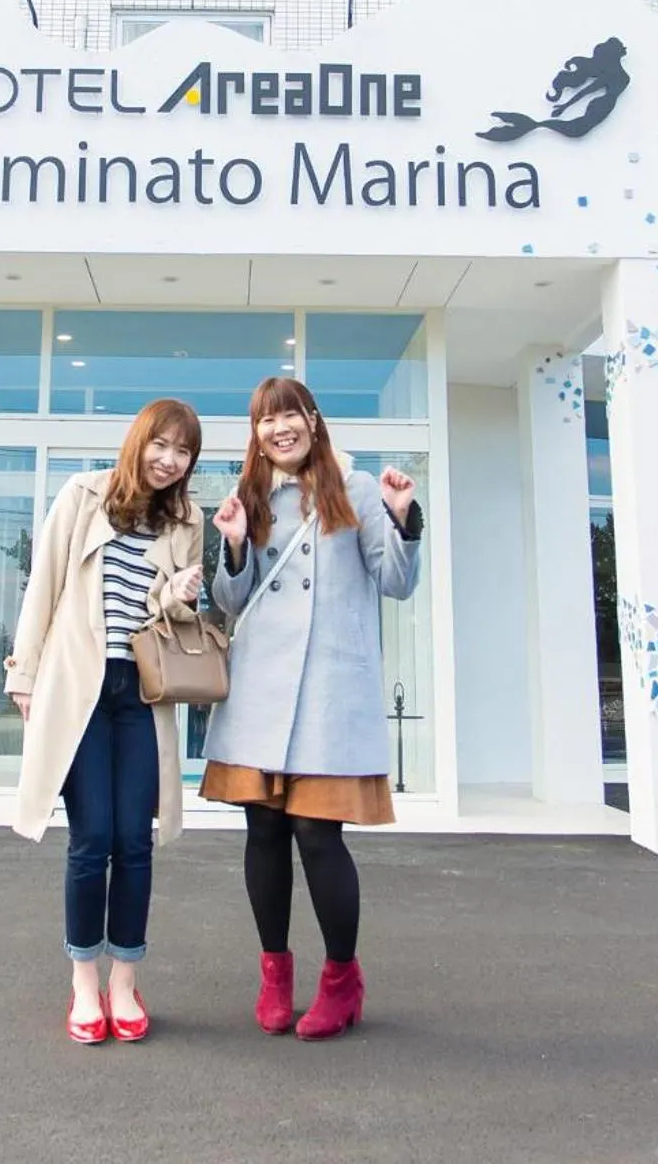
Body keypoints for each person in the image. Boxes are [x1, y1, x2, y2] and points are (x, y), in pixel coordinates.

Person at [203, 376, 423, 1040]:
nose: (279, 429)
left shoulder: (356, 488)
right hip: (261, 691)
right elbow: (231, 602)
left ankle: (341, 981)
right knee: (264, 833)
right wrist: (233, 545)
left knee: (318, 835)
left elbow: (396, 582)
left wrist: (404, 517)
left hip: (328, 691)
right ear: (257, 433)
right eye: (266, 420)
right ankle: (274, 976)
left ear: (314, 420)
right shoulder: (250, 495)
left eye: (290, 415)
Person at [4, 398, 206, 1045]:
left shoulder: (187, 520)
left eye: (183, 451)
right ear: (139, 441)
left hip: (141, 692)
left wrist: (178, 595)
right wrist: (24, 674)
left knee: (134, 841)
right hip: (79, 690)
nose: (170, 460)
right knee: (92, 840)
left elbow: (173, 618)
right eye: (162, 445)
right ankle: (84, 982)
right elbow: (44, 585)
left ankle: (125, 982)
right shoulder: (83, 495)